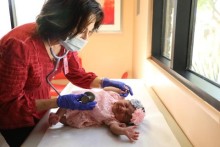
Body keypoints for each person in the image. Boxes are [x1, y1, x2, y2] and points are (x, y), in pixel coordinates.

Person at [0, 0, 133, 146]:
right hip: (16, 119)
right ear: (62, 20)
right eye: (82, 30)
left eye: (90, 31)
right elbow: (8, 103)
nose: (85, 38)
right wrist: (57, 102)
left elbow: (77, 73)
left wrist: (103, 82)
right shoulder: (20, 46)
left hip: (40, 109)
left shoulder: (64, 42)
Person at [49, 87, 145, 142]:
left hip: (84, 114)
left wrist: (123, 131)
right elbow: (105, 89)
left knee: (71, 121)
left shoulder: (112, 118)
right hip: (84, 97)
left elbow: (114, 128)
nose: (123, 109)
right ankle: (58, 114)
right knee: (68, 102)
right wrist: (119, 89)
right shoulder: (115, 96)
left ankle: (59, 119)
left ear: (121, 121)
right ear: (125, 100)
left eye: (125, 115)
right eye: (126, 105)